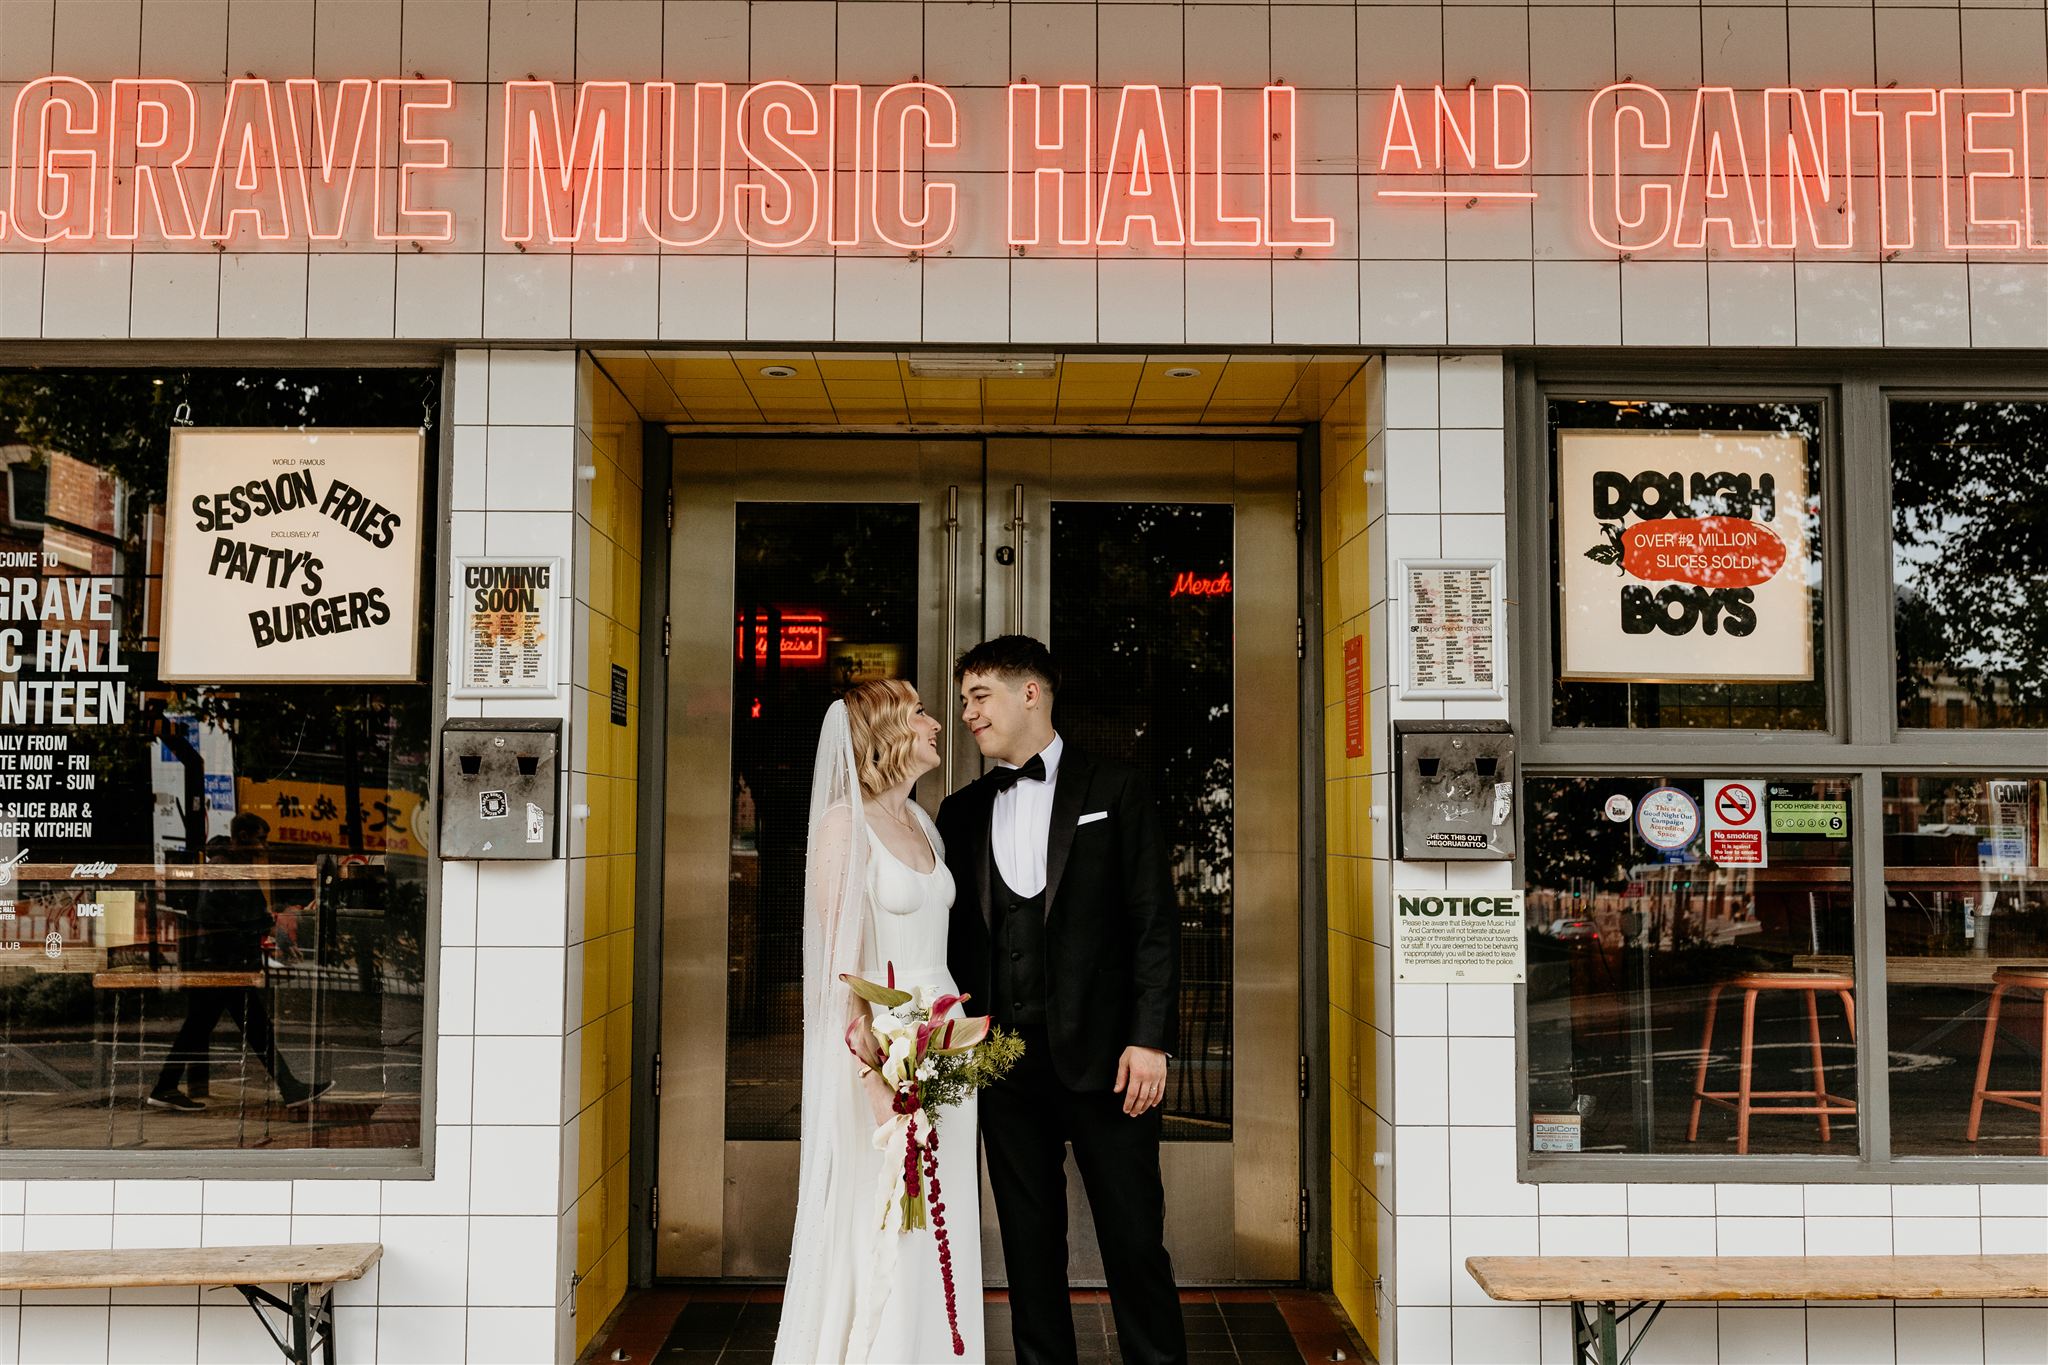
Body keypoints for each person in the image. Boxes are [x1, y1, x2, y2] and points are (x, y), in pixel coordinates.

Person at [937, 636, 1186, 1365]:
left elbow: (1153, 921)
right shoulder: (959, 811)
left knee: (1135, 1243)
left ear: (1031, 693)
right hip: (1003, 1065)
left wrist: (1151, 1036)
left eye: (980, 697)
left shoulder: (1116, 788)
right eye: (962, 703)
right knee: (1028, 1248)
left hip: (1111, 1061)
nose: (969, 715)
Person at [774, 680, 984, 1364]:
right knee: (887, 1214)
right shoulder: (845, 825)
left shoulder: (923, 823)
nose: (935, 723)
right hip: (881, 1051)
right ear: (889, 731)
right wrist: (871, 1073)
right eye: (920, 712)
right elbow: (839, 964)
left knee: (941, 1217)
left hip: (945, 1044)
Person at [149, 813, 333, 1112]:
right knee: (254, 1028)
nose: (265, 846)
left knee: (203, 1027)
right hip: (221, 963)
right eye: (261, 838)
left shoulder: (234, 866)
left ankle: (165, 1087)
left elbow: (246, 912)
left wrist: (269, 928)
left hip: (224, 961)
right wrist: (258, 927)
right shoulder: (222, 867)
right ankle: (290, 1088)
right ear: (244, 836)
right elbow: (214, 915)